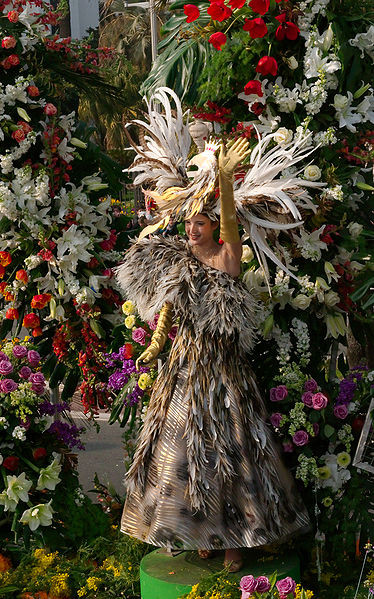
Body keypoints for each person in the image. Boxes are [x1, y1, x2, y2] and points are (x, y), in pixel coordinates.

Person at [115, 137, 310, 571]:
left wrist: (223, 181)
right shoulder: (179, 262)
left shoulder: (227, 258)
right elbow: (166, 313)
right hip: (184, 370)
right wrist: (154, 345)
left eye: (200, 224)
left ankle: (234, 543)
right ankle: (195, 532)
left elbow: (230, 223)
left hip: (223, 374)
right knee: (182, 453)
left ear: (215, 228)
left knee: (231, 454)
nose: (192, 230)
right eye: (188, 224)